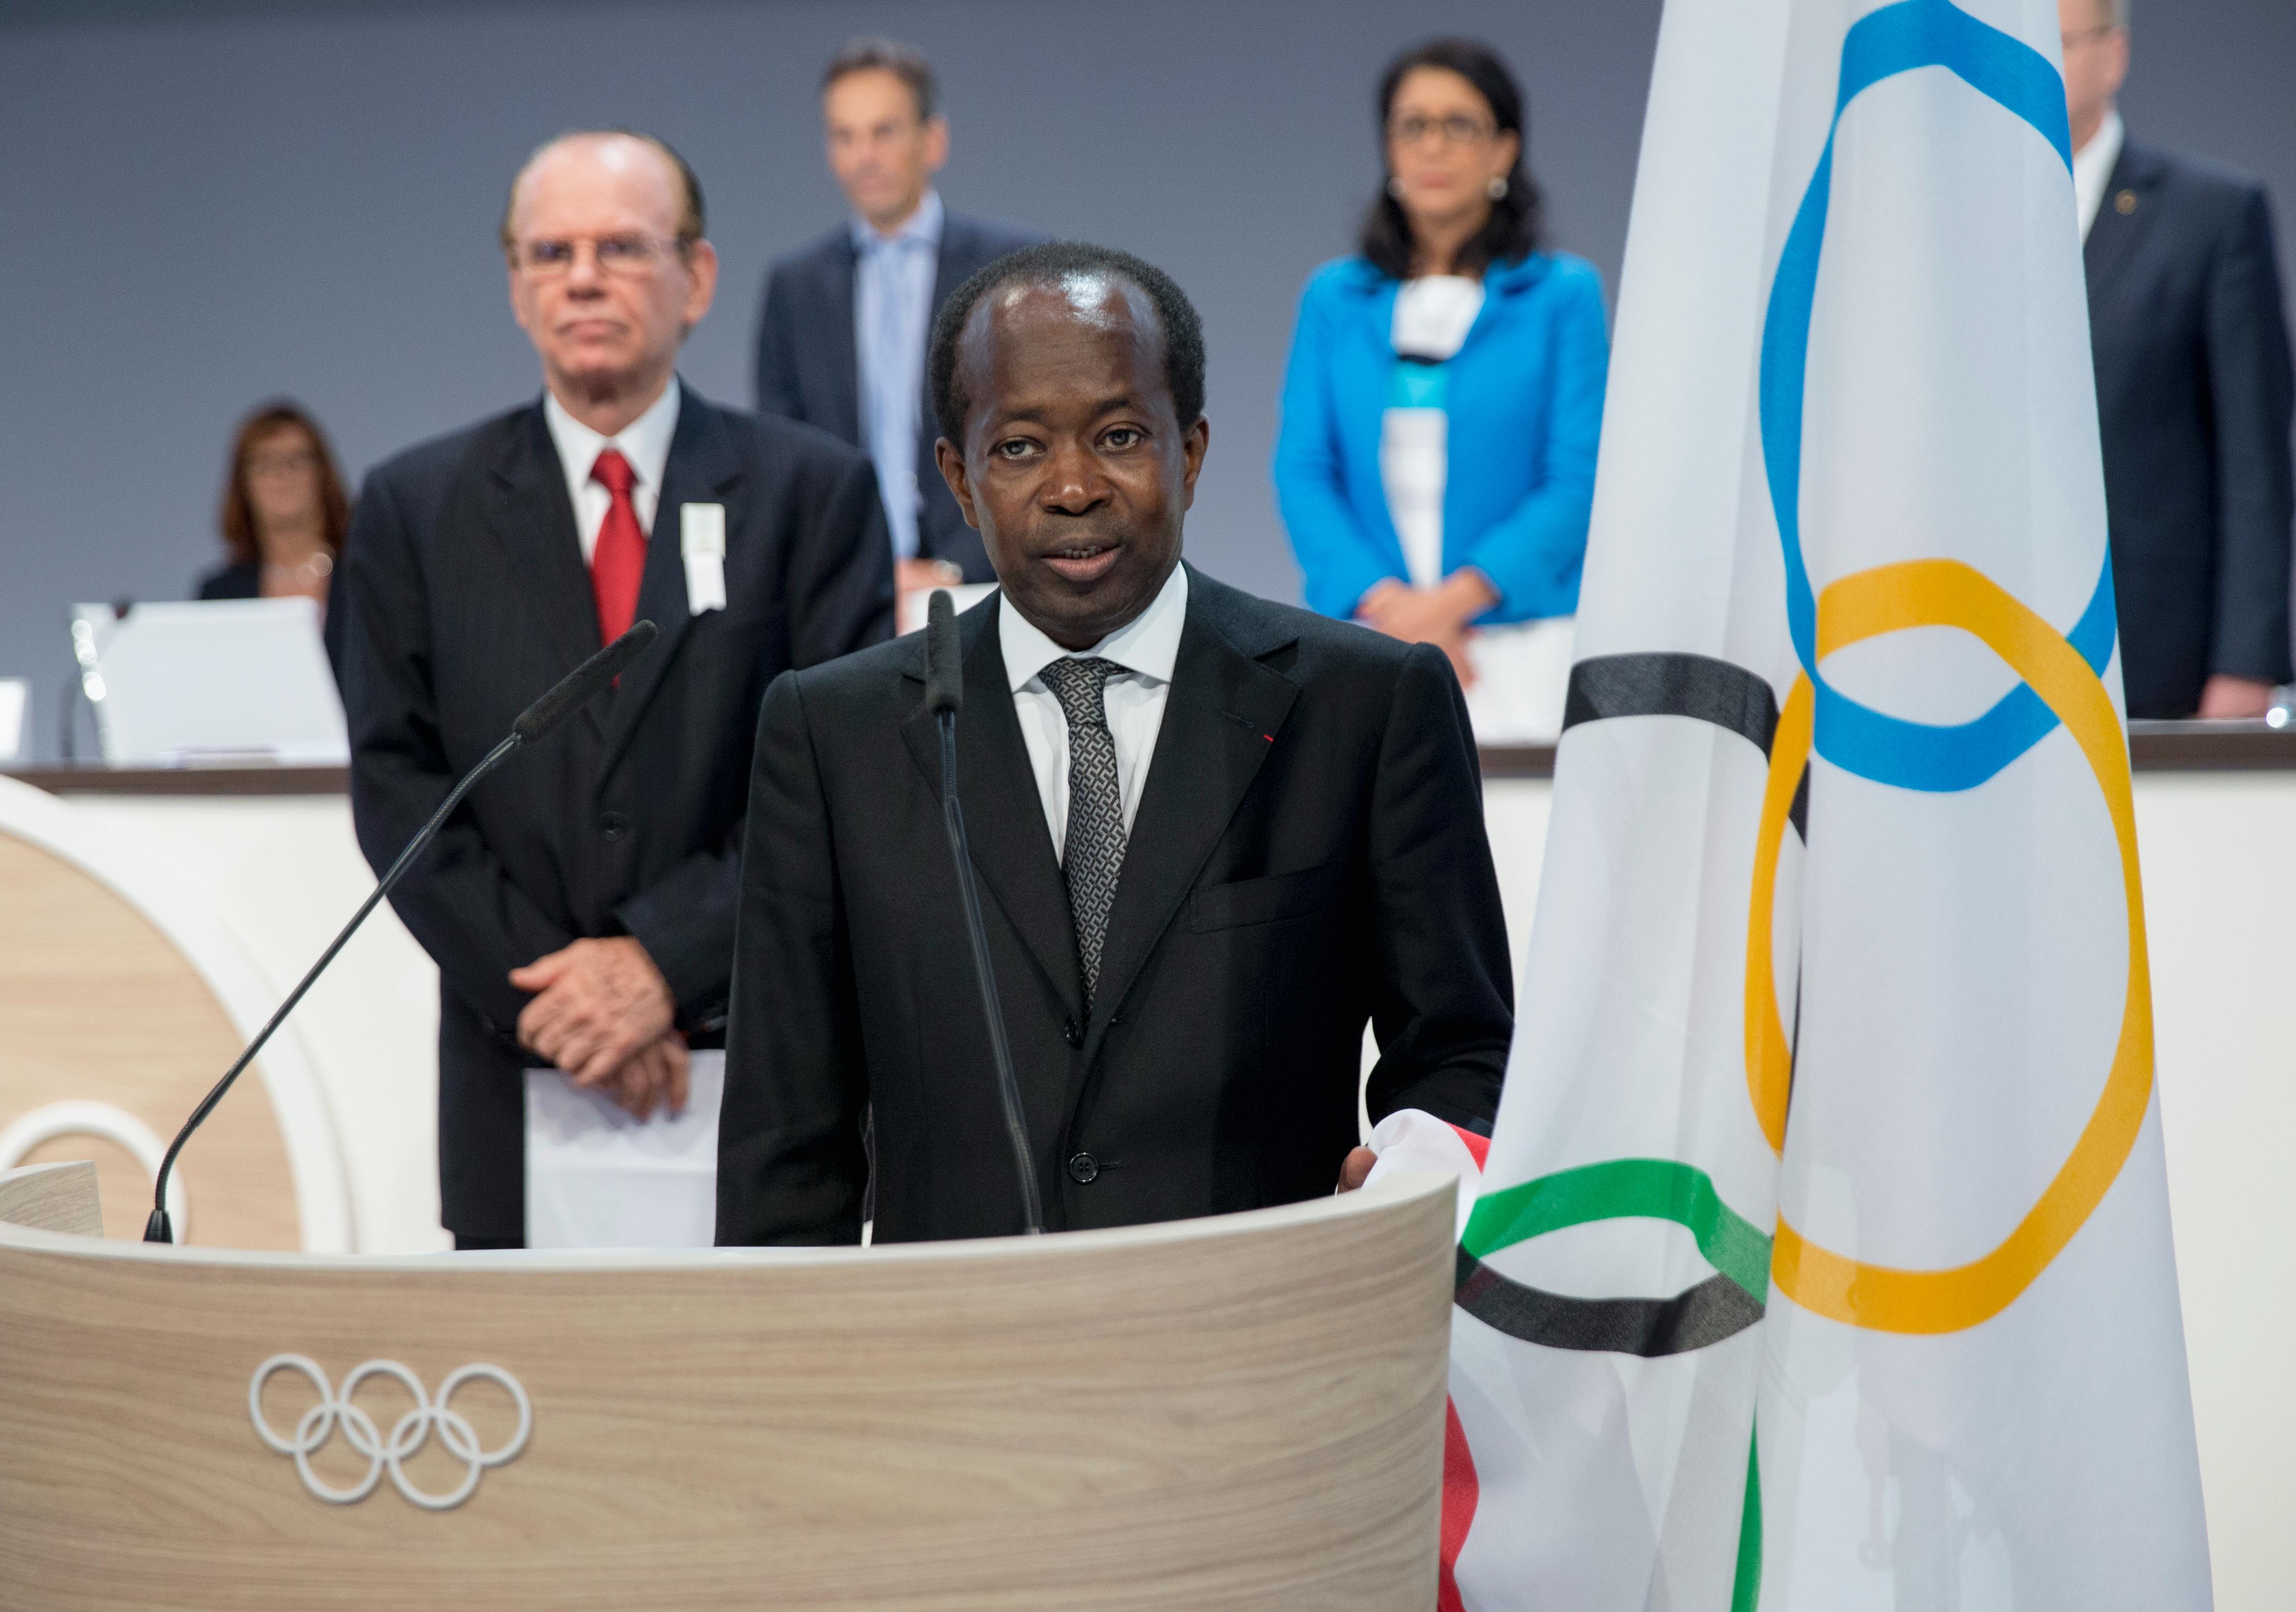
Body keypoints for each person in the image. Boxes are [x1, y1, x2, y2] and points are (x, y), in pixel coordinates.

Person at [716, 242, 1513, 1246]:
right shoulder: (835, 733)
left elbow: (1461, 1052)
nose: (1072, 486)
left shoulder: (1366, 705)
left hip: (1262, 1355)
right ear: (958, 480)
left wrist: (1412, 1172)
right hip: (946, 1370)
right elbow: (785, 1153)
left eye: (1120, 434)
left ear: (1188, 453)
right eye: (1017, 448)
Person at [339, 130, 893, 1250]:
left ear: (695, 278)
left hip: (761, 1073)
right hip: (514, 1066)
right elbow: (400, 790)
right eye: (550, 251)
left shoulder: (811, 492)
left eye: (619, 247)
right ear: (513, 285)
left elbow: (847, 778)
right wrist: (559, 997)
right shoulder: (412, 506)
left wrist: (661, 963)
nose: (581, 276)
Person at [1272, 38, 1608, 741]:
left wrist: (1449, 607)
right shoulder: (1335, 299)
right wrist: (1397, 613)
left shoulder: (1561, 296)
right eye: (1412, 126)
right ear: (1388, 148)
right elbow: (1304, 472)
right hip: (1371, 636)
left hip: (1519, 642)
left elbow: (1577, 478)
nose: (1434, 146)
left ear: (1504, 151)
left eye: (1460, 125)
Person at [2063, 0, 2293, 718]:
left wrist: (2244, 665)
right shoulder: (1956, 219)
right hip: (1990, 644)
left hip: (2156, 656)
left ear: (2113, 54)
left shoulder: (2210, 215)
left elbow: (2255, 462)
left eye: (2058, 43)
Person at [754, 37, 1043, 595]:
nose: (864, 156)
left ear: (932, 141)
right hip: (843, 591)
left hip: (987, 583)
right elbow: (785, 455)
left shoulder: (1010, 270)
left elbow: (1034, 432)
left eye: (883, 132)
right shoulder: (794, 289)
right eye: (845, 136)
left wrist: (954, 569)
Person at [197, 401, 353, 668]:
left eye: (297, 460)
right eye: (265, 464)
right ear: (243, 485)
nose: (282, 475)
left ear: (322, 475)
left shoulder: (362, 582)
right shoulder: (220, 596)